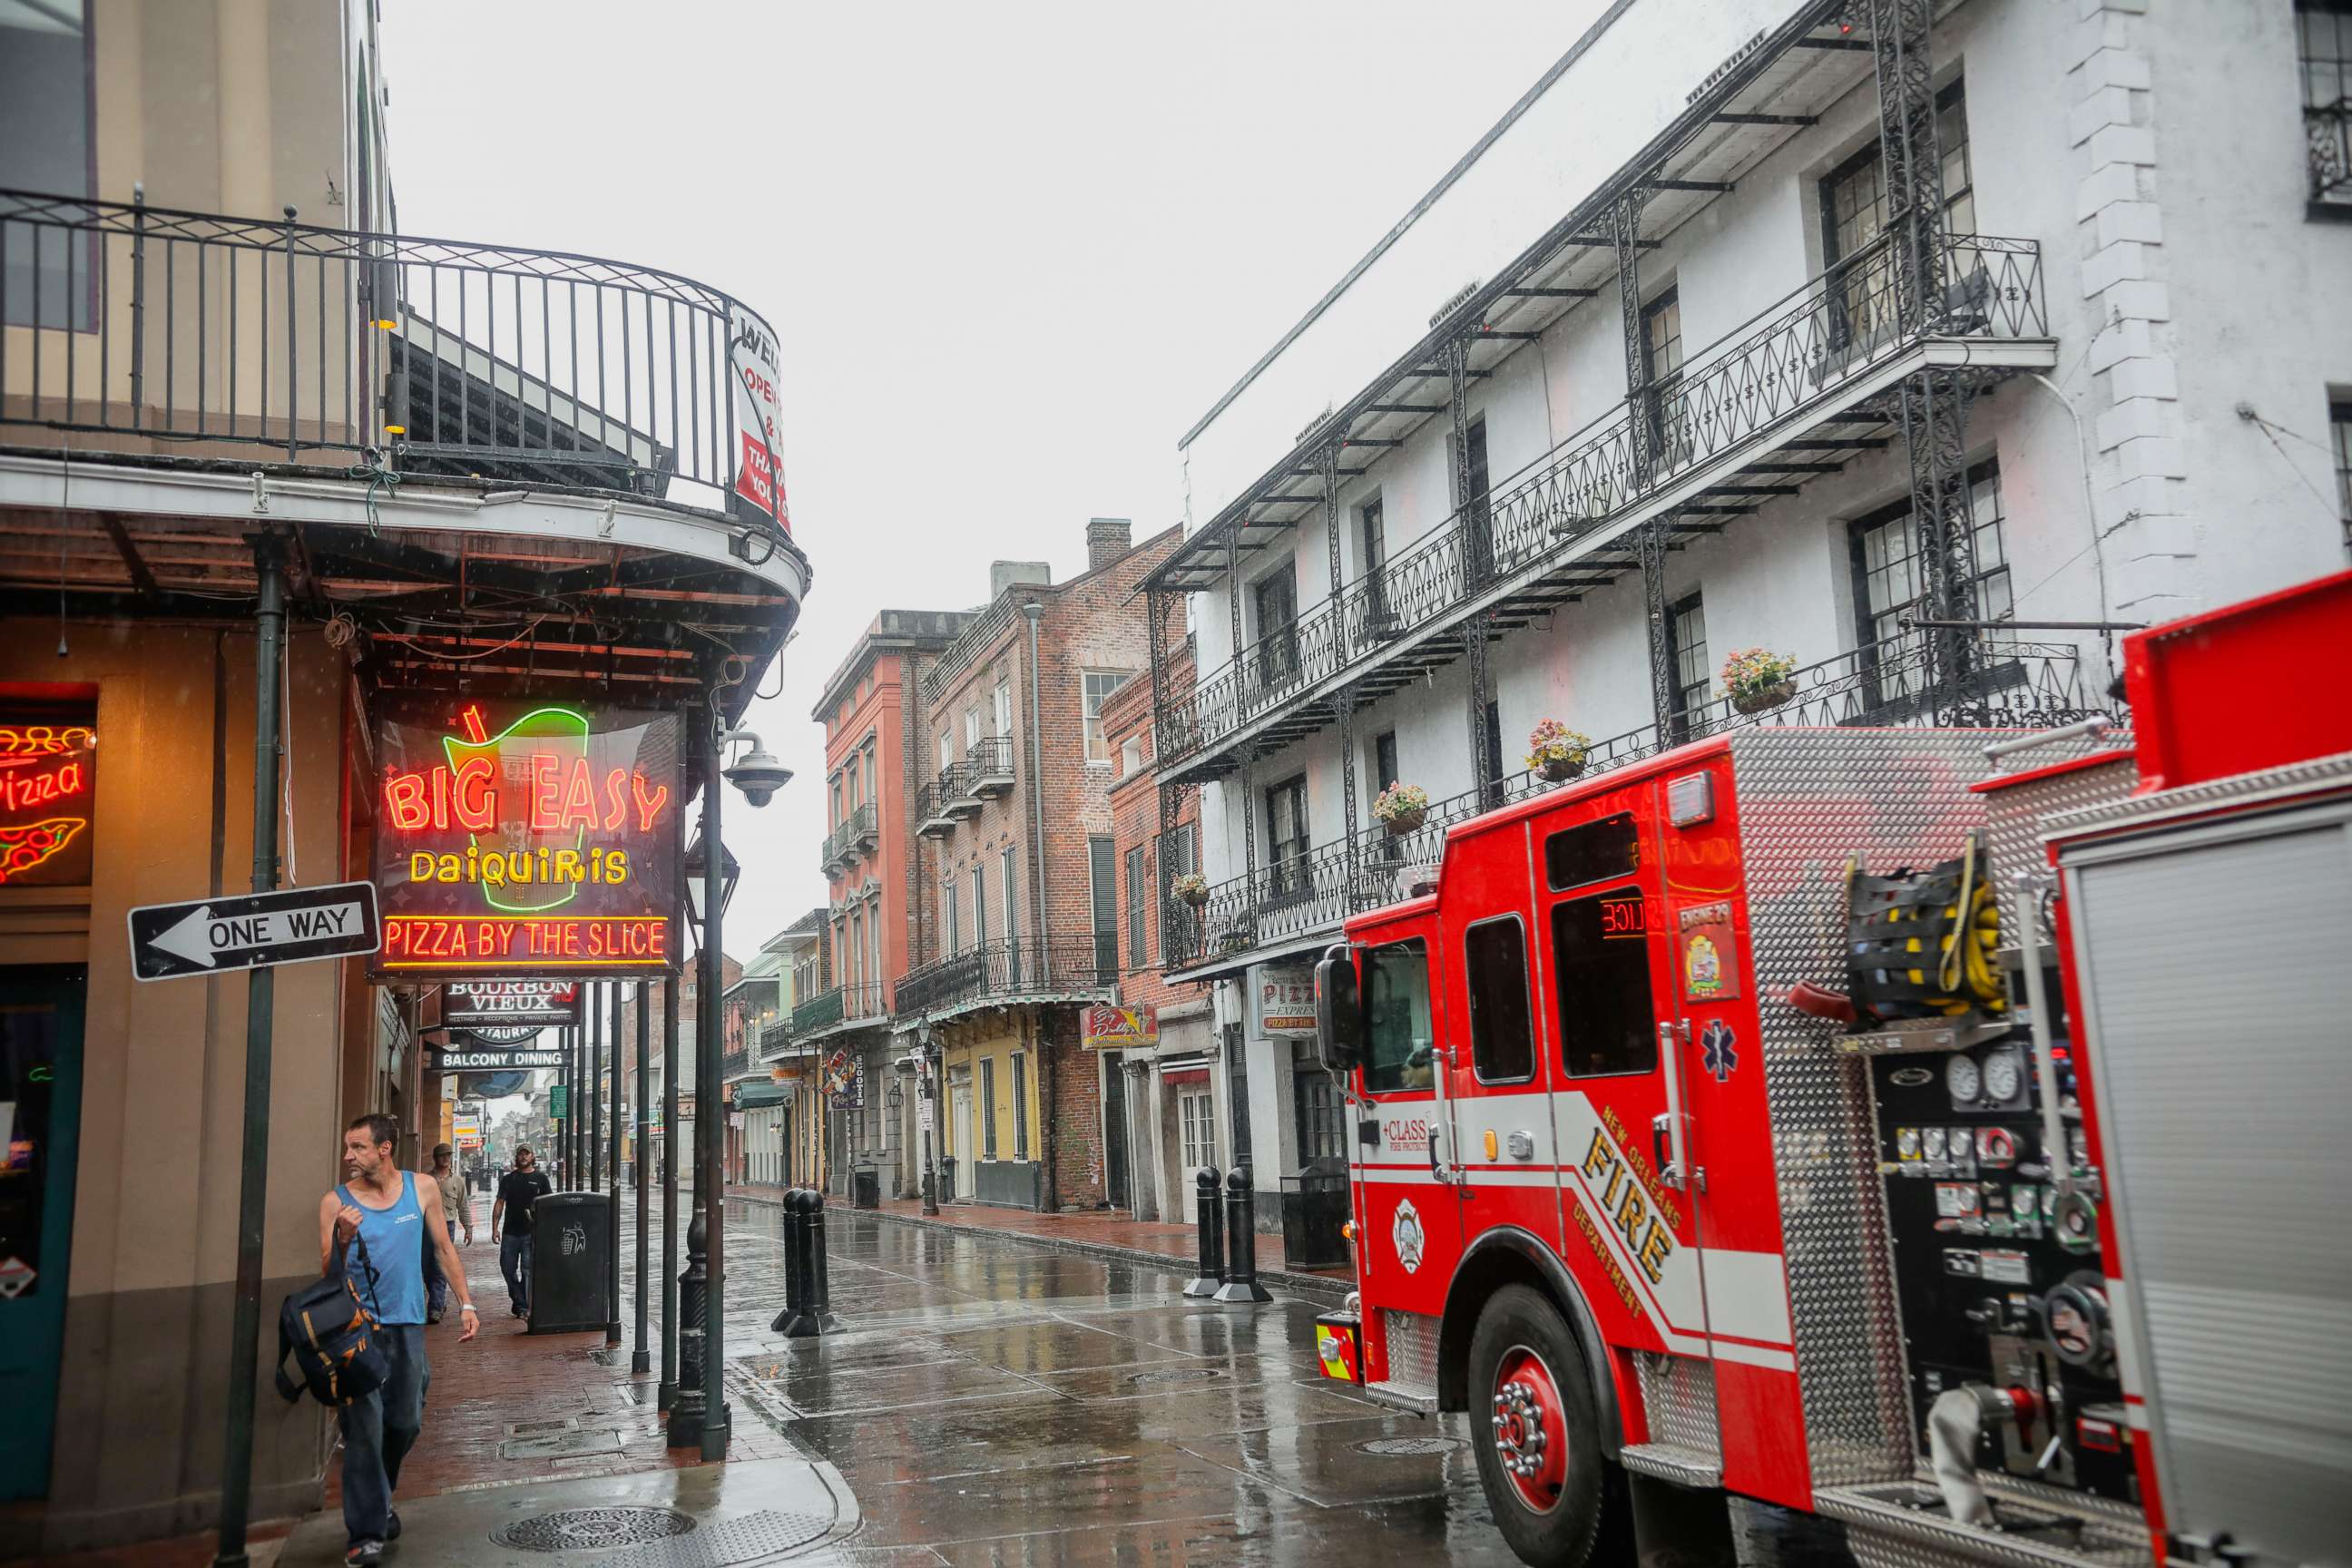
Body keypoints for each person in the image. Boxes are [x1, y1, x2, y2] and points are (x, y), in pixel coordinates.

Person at [320, 1114, 475, 1567]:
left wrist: (466, 1303)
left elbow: (444, 1249)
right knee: (364, 1431)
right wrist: (343, 1240)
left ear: (384, 1149)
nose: (349, 1156)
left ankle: (381, 1494)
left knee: (405, 1421)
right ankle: (365, 1532)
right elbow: (328, 1272)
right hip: (358, 1330)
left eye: (358, 1148)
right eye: (349, 1148)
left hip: (407, 1325)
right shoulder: (336, 1202)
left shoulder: (422, 1188)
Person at [492, 1145, 552, 1318]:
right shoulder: (509, 1179)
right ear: (516, 1157)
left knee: (527, 1270)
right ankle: (519, 1300)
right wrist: (495, 1228)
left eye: (527, 1153)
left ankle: (524, 1306)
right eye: (521, 1154)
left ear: (532, 1156)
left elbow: (547, 1204)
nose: (524, 1156)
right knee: (507, 1268)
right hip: (510, 1232)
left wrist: (547, 1228)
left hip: (531, 1233)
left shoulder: (541, 1179)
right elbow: (500, 1202)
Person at [421, 1142, 473, 1324]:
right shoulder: (425, 1180)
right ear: (435, 1158)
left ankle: (435, 1307)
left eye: (448, 1155)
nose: (446, 1159)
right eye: (442, 1155)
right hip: (425, 1226)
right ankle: (438, 1300)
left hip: (447, 1225)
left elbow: (463, 1206)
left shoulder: (457, 1182)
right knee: (425, 1265)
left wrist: (468, 1227)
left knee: (439, 1265)